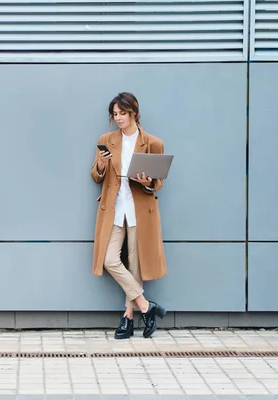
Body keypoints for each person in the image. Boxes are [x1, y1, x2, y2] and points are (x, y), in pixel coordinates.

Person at [90, 92, 167, 340]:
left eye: (123, 113)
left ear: (134, 112)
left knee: (135, 264)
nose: (119, 118)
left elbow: (159, 182)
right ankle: (146, 306)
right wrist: (101, 166)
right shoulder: (106, 140)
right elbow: (95, 175)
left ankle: (128, 317)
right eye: (115, 114)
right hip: (114, 207)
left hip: (139, 210)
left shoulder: (153, 143)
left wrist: (148, 182)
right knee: (109, 259)